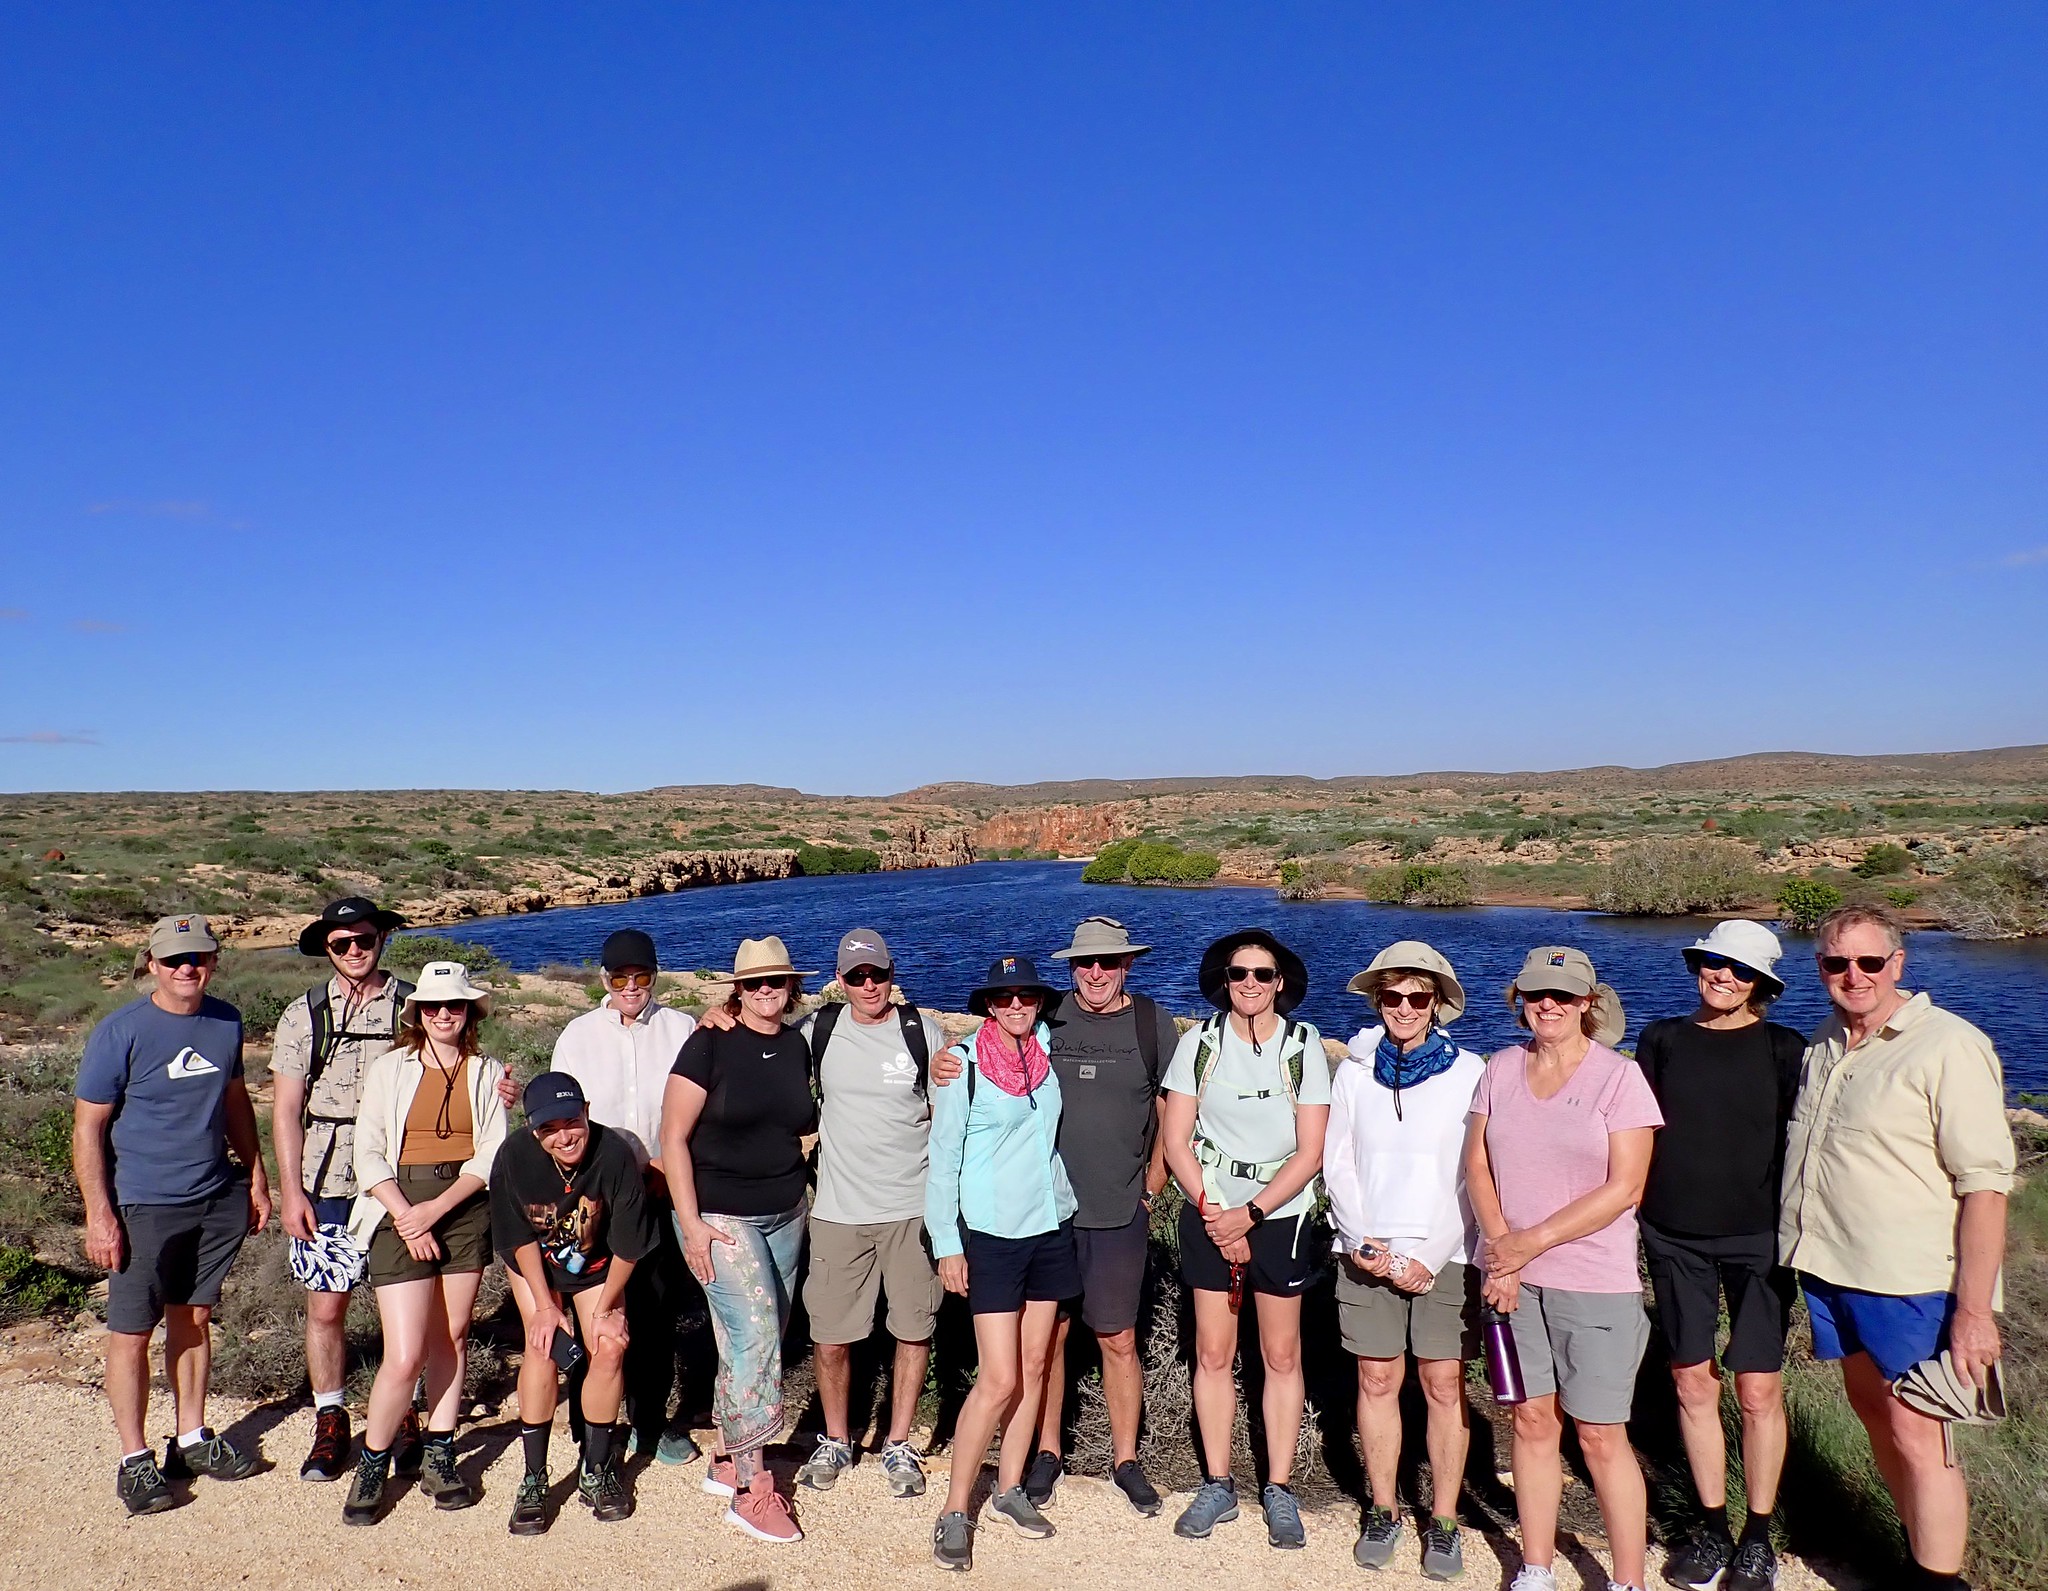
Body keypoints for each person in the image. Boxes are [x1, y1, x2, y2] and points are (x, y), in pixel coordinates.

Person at [1780, 903, 2014, 1591]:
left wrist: (1973, 1311)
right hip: (1832, 1268)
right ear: (1819, 966)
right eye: (1835, 962)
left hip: (1911, 1281)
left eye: (1870, 961)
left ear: (1898, 964)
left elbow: (1986, 1186)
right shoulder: (1826, 1042)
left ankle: (1941, 1579)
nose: (1854, 975)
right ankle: (1910, 1555)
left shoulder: (1948, 1044)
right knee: (1876, 1415)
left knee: (1922, 1435)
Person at [928, 914, 1178, 1515]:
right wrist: (944, 1061)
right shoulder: (1030, 1029)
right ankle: (1018, 1470)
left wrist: (1156, 1179)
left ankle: (1120, 1461)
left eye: (1109, 963)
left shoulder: (1144, 1023)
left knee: (1109, 1339)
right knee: (1029, 1360)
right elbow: (947, 1142)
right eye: (1085, 963)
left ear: (1127, 965)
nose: (1096, 973)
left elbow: (1176, 1099)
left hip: (1098, 1211)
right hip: (1021, 1225)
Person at [1463, 946, 1662, 1591]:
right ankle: (1537, 1566)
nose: (1549, 1005)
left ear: (1588, 1003)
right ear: (1519, 999)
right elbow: (1479, 1167)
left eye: (1565, 995)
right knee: (1530, 1420)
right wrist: (1502, 1252)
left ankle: (1628, 1579)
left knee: (1601, 1435)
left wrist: (1532, 1241)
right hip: (1514, 1278)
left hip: (1594, 1282)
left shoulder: (1618, 1078)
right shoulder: (1498, 1070)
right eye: (1537, 993)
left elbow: (1626, 1186)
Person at [73, 913, 273, 1515]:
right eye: (174, 960)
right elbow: (88, 1127)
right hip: (142, 1202)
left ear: (214, 961)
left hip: (215, 1196)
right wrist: (98, 1213)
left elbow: (235, 1101)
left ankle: (190, 1438)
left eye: (200, 958)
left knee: (194, 1318)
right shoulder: (121, 1031)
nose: (188, 968)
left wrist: (257, 1178)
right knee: (132, 1332)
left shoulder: (226, 1020)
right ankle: (134, 1461)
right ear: (152, 964)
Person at [1635, 921, 1805, 1591]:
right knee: (1691, 1380)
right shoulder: (1663, 1039)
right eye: (1712, 961)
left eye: (1737, 968)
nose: (1721, 975)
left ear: (1760, 981)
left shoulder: (1784, 1047)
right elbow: (1635, 1131)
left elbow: (1804, 1141)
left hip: (1761, 1242)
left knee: (1759, 1388)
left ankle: (1757, 1536)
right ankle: (1711, 1526)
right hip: (1674, 1236)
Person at [1160, 928, 1331, 1551]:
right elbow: (1176, 1142)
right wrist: (1215, 1213)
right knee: (1212, 1353)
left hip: (1278, 1218)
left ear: (1281, 982)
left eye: (1263, 974)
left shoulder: (1303, 1046)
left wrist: (1249, 1216)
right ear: (1224, 981)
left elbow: (1309, 1152)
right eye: (1239, 974)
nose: (1251, 985)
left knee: (1281, 1356)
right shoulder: (1198, 1044)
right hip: (1211, 1213)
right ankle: (1218, 1482)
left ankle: (1279, 1489)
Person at [1325, 941, 1486, 1581]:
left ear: (1438, 1004)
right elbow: (1338, 1161)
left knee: (1443, 1384)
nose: (1403, 1008)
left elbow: (1473, 1174)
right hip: (1365, 1249)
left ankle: (1443, 1520)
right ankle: (1385, 1509)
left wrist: (1427, 1255)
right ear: (1377, 1000)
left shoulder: (1471, 1072)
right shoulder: (1354, 1072)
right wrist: (1363, 1239)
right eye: (1391, 996)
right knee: (1376, 1380)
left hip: (1442, 1254)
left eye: (1418, 997)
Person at [661, 936, 818, 1545]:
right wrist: (692, 1223)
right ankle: (754, 1491)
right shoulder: (709, 1043)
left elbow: (799, 1120)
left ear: (790, 986)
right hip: (719, 1215)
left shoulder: (795, 1044)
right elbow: (672, 1136)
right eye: (754, 984)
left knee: (757, 1335)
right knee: (756, 1341)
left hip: (784, 1211)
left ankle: (729, 1457)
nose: (765, 993)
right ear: (737, 990)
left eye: (776, 982)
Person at [926, 955, 1080, 1572]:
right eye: (1004, 998)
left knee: (1036, 1365)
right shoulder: (961, 1068)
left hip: (1048, 1224)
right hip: (989, 1234)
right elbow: (942, 1162)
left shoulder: (1042, 1049)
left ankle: (1009, 1489)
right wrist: (947, 1244)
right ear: (988, 1005)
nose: (1017, 1006)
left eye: (1027, 997)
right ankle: (955, 1509)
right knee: (999, 1378)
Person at [341, 960, 508, 1526]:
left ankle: (439, 1450)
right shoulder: (391, 1069)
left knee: (453, 1336)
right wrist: (408, 1214)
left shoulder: (484, 1072)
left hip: (461, 1207)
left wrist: (435, 1210)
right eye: (433, 1007)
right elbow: (367, 1152)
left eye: (454, 1006)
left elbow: (489, 1152)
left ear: (468, 1014)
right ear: (418, 1014)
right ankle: (373, 1458)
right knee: (405, 1351)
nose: (443, 1015)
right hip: (397, 1206)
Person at [792, 929, 947, 1500]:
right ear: (840, 980)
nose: (868, 986)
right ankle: (835, 1438)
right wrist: (721, 1014)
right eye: (855, 977)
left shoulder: (920, 1032)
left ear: (890, 973)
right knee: (831, 1335)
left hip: (912, 1208)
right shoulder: (819, 1031)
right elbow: (759, 1053)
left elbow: (947, 1109)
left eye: (876, 974)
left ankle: (899, 1440)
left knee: (913, 1328)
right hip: (837, 1210)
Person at [271, 896, 417, 1482]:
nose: (355, 951)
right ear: (326, 949)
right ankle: (330, 1417)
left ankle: (401, 1413)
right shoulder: (303, 1014)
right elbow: (286, 1111)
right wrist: (291, 1191)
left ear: (382, 938)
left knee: (401, 1305)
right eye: (341, 944)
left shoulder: (415, 1005)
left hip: (398, 1180)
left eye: (364, 939)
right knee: (327, 1305)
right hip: (326, 1178)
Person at [548, 927, 700, 1466]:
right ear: (604, 979)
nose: (631, 987)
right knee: (596, 1306)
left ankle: (651, 1423)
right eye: (620, 977)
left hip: (661, 1189)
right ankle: (591, 1424)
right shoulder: (578, 1036)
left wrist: (663, 1167)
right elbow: (559, 1116)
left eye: (641, 976)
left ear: (654, 975)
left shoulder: (681, 1029)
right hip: (597, 1199)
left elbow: (696, 1106)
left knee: (656, 1311)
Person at [491, 1072, 660, 1535]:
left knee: (608, 1347)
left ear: (586, 1110)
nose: (564, 1136)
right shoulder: (514, 1157)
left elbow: (628, 1245)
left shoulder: (614, 1155)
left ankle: (597, 1469)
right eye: (549, 1128)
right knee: (543, 1344)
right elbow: (518, 1236)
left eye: (572, 1121)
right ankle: (534, 1477)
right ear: (532, 1128)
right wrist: (546, 1307)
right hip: (535, 1265)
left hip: (598, 1265)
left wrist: (606, 1309)